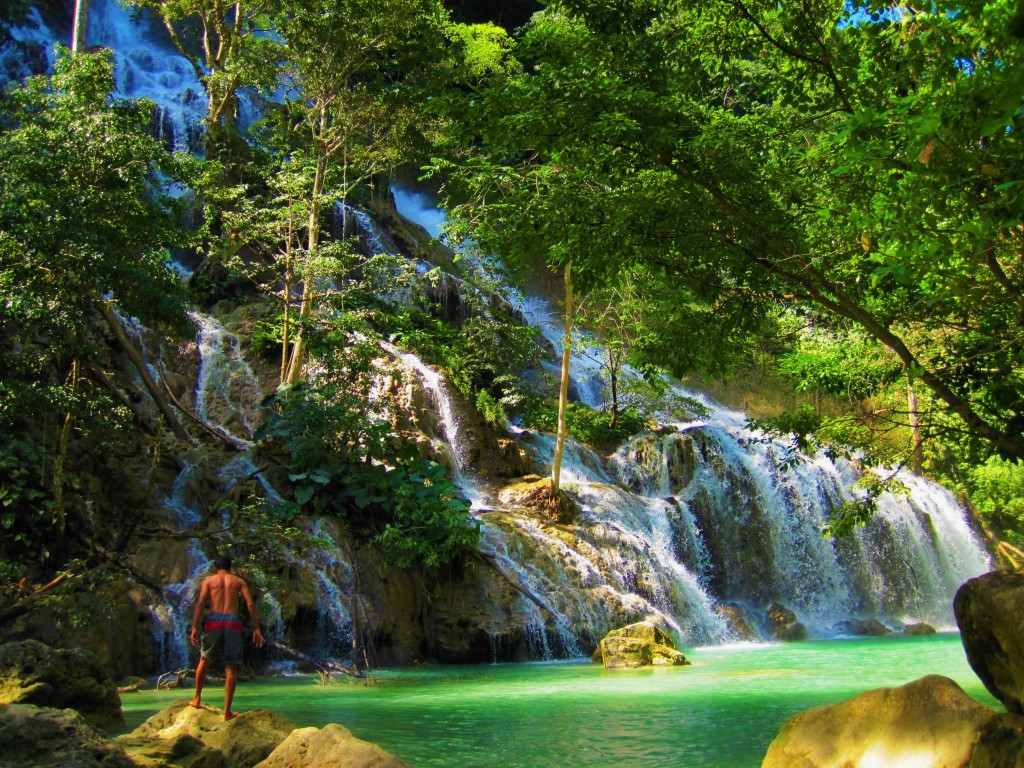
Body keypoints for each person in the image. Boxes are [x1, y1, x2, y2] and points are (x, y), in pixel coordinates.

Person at [188, 555, 265, 720]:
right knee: (231, 666)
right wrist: (256, 628)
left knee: (204, 659)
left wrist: (194, 627)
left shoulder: (208, 581)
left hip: (213, 621)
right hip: (232, 622)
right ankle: (227, 712)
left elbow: (200, 603)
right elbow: (250, 604)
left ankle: (197, 698)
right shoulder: (238, 581)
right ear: (230, 569)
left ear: (215, 569)